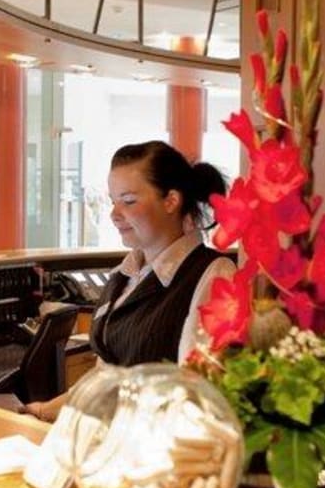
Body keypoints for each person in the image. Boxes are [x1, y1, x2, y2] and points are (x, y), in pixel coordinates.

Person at [23, 141, 235, 421]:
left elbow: (195, 393)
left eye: (129, 201)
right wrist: (43, 411)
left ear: (171, 201)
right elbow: (104, 380)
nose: (114, 214)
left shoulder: (212, 275)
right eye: (113, 201)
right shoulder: (124, 276)